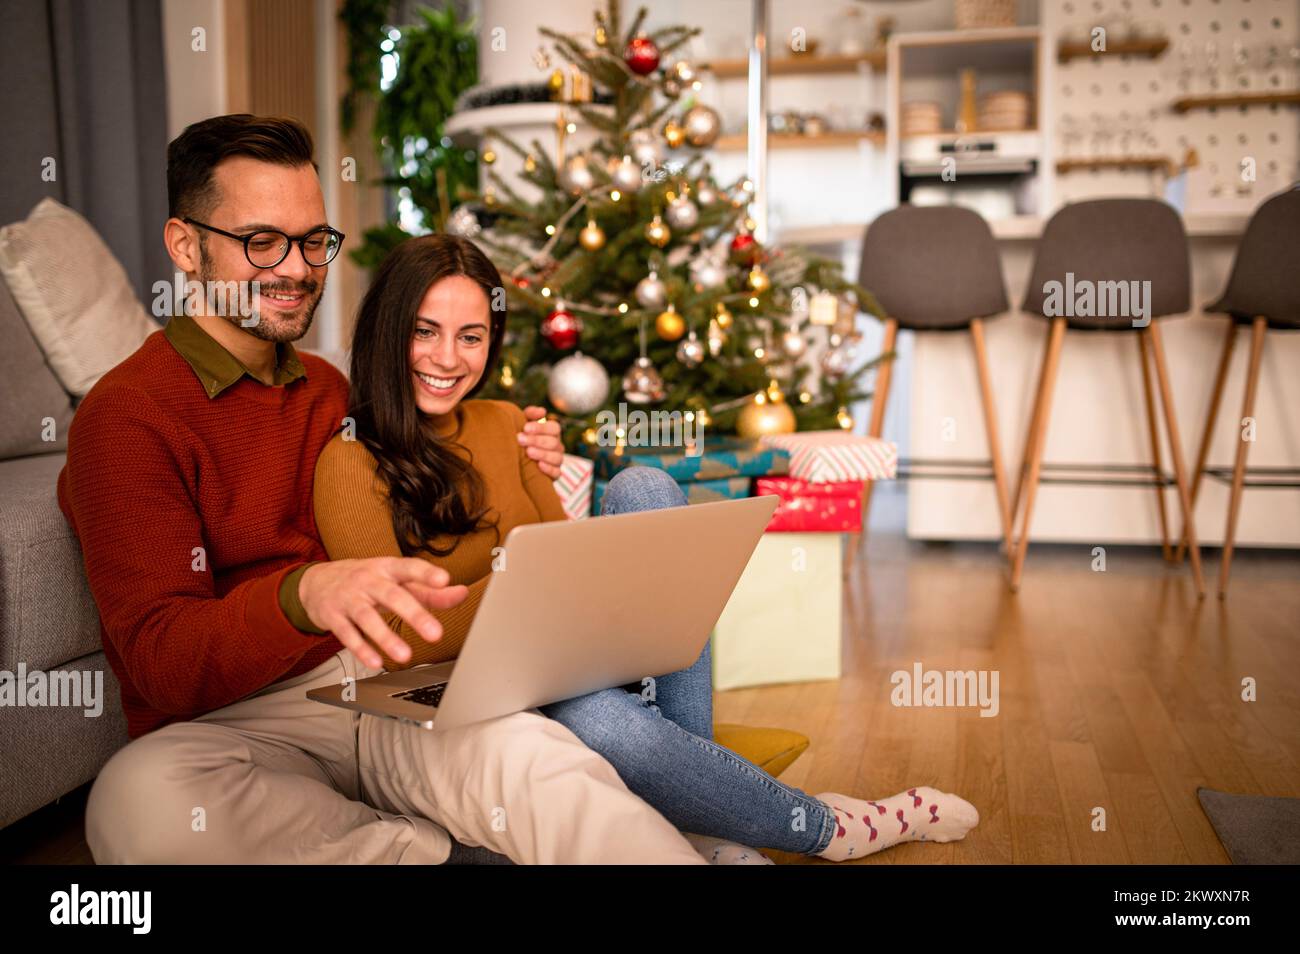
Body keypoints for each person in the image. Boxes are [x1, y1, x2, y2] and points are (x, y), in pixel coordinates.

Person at [59, 113, 710, 865]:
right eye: (261, 242)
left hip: (384, 686)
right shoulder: (128, 417)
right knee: (138, 801)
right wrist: (304, 596)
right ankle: (424, 851)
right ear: (185, 246)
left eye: (312, 241)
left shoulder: (333, 389)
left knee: (543, 766)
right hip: (235, 725)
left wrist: (532, 447)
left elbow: (455, 449)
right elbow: (161, 661)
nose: (297, 268)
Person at [312, 232, 983, 864]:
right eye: (424, 332)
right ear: (387, 333)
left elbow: (562, 554)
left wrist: (548, 574)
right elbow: (398, 636)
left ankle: (698, 817)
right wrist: (517, 580)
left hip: (553, 652)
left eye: (471, 336)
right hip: (459, 688)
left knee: (643, 483)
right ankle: (831, 828)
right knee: (605, 723)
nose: (448, 358)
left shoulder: (509, 423)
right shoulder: (349, 462)